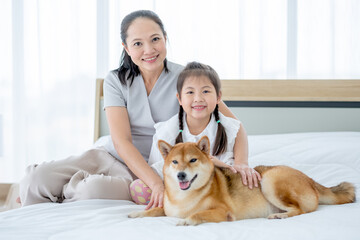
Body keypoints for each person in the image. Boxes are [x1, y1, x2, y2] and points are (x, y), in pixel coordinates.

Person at [18, 10, 237, 209]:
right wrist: (155, 185)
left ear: (165, 39)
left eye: (155, 39)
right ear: (126, 47)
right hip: (109, 155)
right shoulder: (115, 80)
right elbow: (121, 141)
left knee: (90, 191)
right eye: (138, 43)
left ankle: (56, 197)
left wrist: (240, 164)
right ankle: (48, 194)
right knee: (35, 178)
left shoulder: (187, 79)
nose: (149, 50)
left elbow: (232, 123)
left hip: (151, 170)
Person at [129, 61, 261, 205]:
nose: (198, 98)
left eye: (205, 91)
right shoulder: (167, 131)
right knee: (139, 188)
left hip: (218, 181)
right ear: (179, 98)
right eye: (190, 92)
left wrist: (240, 163)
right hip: (178, 181)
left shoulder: (229, 127)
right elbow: (158, 169)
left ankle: (201, 201)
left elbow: (236, 164)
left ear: (218, 97)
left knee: (248, 183)